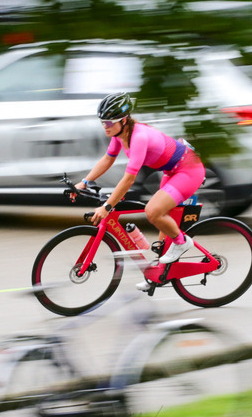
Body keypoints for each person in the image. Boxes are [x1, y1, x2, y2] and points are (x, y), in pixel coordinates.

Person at [74, 93, 205, 283]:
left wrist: (107, 207)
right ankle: (159, 274)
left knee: (153, 211)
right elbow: (108, 159)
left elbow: (128, 179)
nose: (105, 126)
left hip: (188, 169)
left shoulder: (139, 138)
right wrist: (84, 182)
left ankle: (182, 242)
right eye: (103, 122)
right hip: (171, 171)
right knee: (161, 241)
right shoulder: (119, 135)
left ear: (124, 120)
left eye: (109, 123)